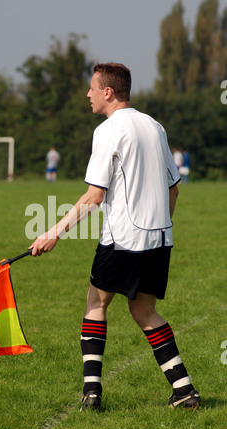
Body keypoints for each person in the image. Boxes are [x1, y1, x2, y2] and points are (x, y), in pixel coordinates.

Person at [30, 63, 200, 410]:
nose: (87, 94)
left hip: (122, 239)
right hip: (159, 239)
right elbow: (174, 189)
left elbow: (94, 196)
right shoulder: (154, 126)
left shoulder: (108, 130)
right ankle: (184, 391)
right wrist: (159, 225)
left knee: (96, 302)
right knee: (145, 311)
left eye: (92, 88)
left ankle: (91, 393)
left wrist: (53, 233)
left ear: (108, 92)